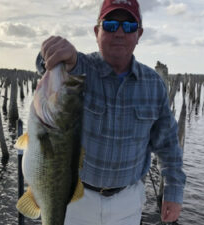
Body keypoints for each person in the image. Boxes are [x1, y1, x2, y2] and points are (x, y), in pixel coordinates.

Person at [39, 0, 186, 224]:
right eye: (110, 25)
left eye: (128, 26)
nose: (119, 32)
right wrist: (53, 52)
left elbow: (168, 145)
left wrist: (174, 192)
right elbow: (46, 65)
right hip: (75, 198)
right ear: (97, 31)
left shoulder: (153, 84)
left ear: (139, 34)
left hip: (127, 202)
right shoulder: (79, 68)